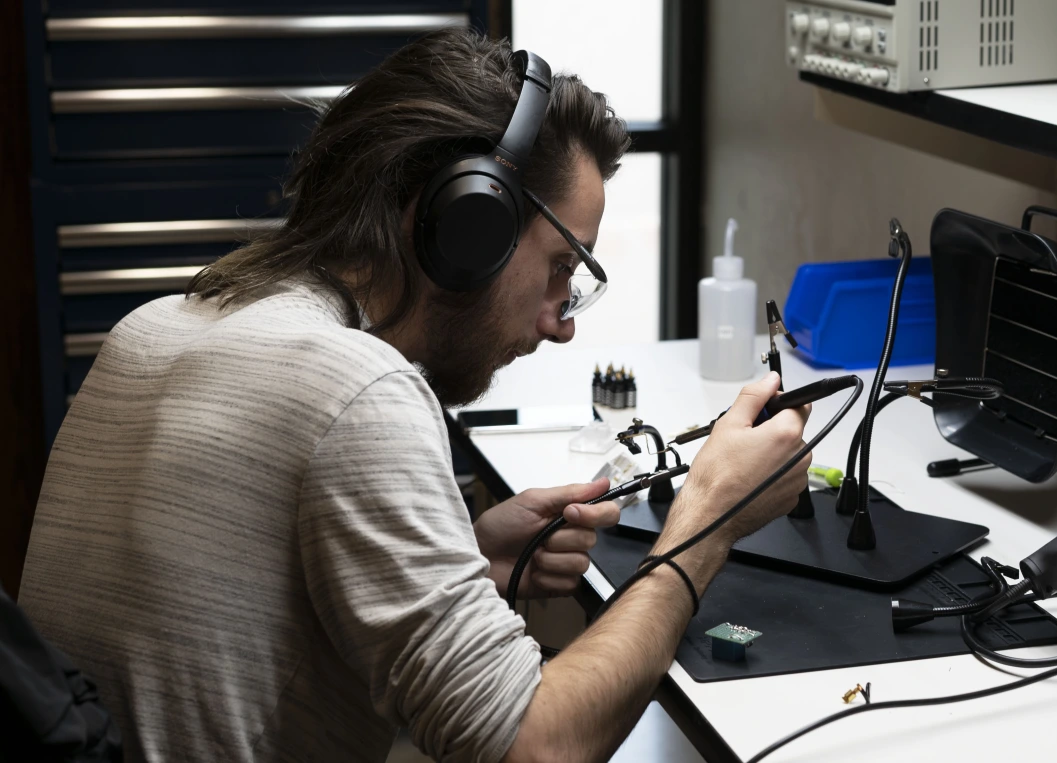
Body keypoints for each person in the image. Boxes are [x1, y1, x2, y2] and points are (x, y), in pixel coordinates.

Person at [19, 29, 811, 763]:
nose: (560, 324)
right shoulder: (357, 391)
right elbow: (538, 747)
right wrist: (706, 519)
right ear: (471, 224)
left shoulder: (152, 327)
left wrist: (462, 552)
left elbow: (230, 623)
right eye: (563, 271)